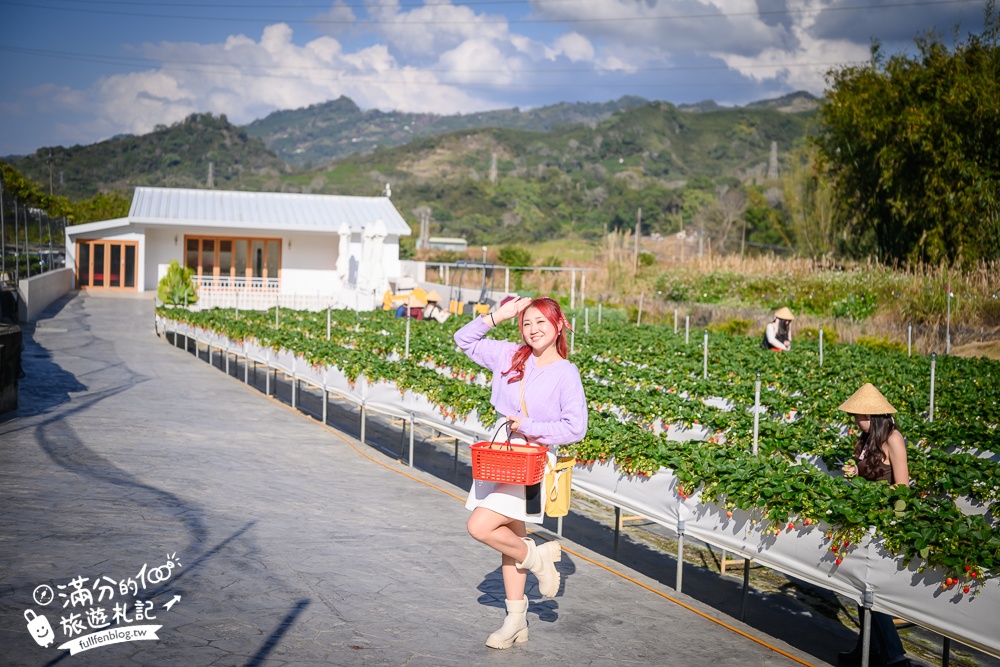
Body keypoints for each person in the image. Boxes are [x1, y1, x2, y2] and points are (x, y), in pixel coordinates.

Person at [454, 295, 588, 650]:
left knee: (480, 526)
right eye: (527, 323)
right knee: (508, 539)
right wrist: (500, 314)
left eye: (541, 322)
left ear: (558, 325)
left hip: (531, 459)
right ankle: (515, 621)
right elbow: (463, 339)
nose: (533, 330)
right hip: (500, 453)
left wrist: (528, 425)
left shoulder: (565, 373)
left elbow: (576, 428)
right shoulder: (509, 355)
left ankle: (538, 557)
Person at [837, 383, 912, 667]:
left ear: (876, 416)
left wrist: (894, 520)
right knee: (860, 585)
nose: (857, 421)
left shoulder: (893, 438)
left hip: (884, 520)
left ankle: (895, 655)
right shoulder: (866, 440)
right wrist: (855, 471)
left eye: (861, 416)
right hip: (864, 516)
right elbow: (868, 472)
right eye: (856, 416)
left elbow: (902, 485)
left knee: (872, 587)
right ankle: (867, 648)